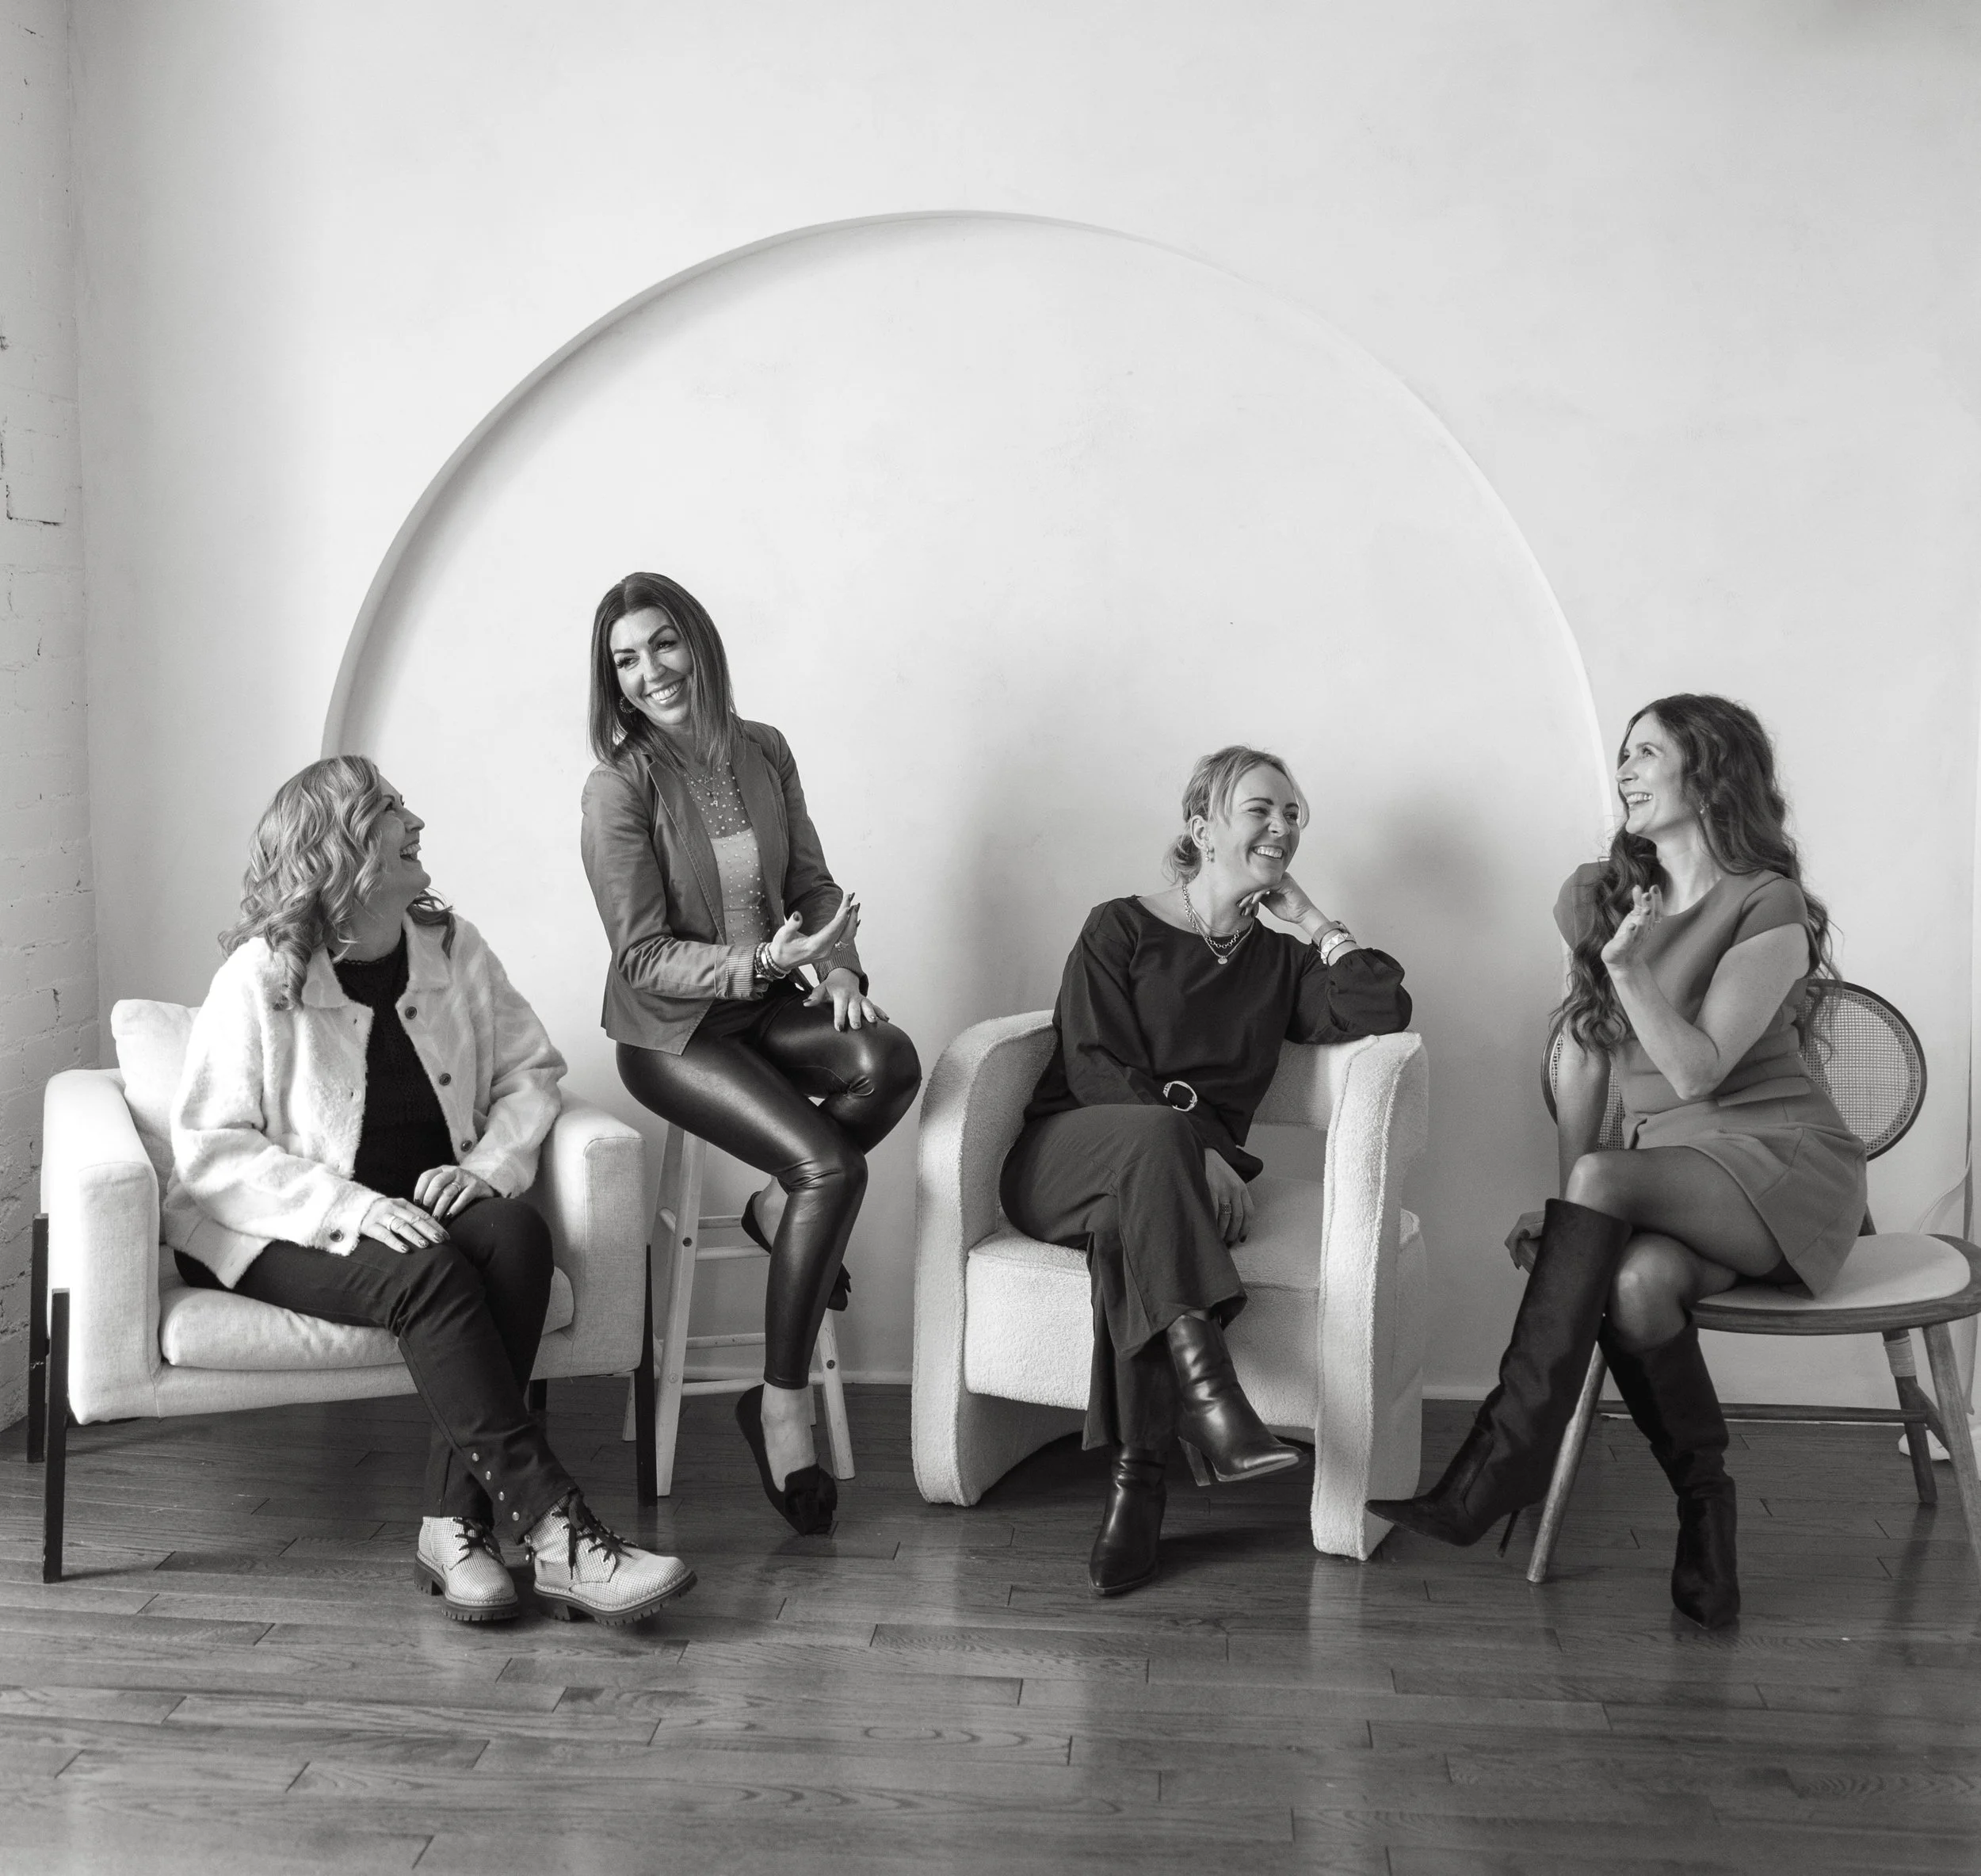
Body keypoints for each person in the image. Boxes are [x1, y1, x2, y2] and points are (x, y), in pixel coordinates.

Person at [1370, 694, 1865, 1630]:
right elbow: (1590, 1051)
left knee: (1603, 1191)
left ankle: (1498, 1465)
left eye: (1645, 753)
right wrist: (1578, 1228)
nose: (1624, 771)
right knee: (1634, 1288)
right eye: (1622, 755)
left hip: (1781, 1163)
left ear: (1708, 769)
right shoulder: (1596, 894)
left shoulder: (1767, 902)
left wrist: (1632, 971)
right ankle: (1704, 1513)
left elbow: (1697, 1067)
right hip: (1670, 1172)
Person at [167, 756, 695, 1627]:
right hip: (277, 1231)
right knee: (431, 1272)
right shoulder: (262, 975)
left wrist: (487, 1169)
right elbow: (211, 1153)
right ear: (340, 847)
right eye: (390, 809)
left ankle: (452, 1527)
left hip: (422, 1209)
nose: (416, 824)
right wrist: (354, 1208)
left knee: (516, 1237)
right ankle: (560, 1535)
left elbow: (532, 1072)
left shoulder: (454, 949)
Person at [1001, 746, 1413, 1597]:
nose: (1282, 826)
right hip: (1065, 1156)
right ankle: (1211, 1397)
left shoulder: (1281, 961)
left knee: (1130, 1229)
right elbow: (1092, 1066)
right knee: (1150, 1146)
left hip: (1166, 1189)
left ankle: (1139, 1486)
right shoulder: (1118, 926)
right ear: (1202, 828)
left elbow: (1382, 1010)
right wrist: (1201, 1151)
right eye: (1260, 809)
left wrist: (1318, 926)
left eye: (1294, 814)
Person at [579, 572, 922, 1538]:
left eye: (663, 646)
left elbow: (811, 883)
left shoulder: (763, 750)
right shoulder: (617, 787)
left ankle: (779, 1206)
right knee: (834, 1165)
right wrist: (763, 958)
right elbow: (641, 955)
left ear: (700, 643)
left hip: (767, 1002)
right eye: (626, 661)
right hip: (673, 1030)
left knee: (887, 1060)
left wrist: (840, 967)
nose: (650, 673)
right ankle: (779, 1405)